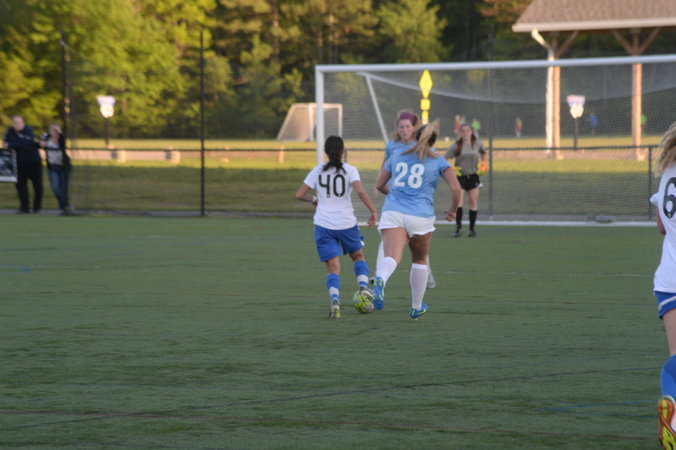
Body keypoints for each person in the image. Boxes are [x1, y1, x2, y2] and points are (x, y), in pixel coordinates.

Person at [372, 123, 462, 319]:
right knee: (419, 260)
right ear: (433, 141)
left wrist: (396, 196)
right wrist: (453, 211)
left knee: (392, 257)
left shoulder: (397, 154)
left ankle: (380, 279)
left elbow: (379, 184)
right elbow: (456, 189)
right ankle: (416, 307)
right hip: (420, 216)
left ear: (415, 136)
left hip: (393, 212)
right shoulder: (438, 160)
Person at [295, 135, 378, 319]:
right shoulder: (350, 170)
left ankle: (335, 301)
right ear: (342, 151)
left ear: (326, 151)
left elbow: (299, 194)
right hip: (346, 223)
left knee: (333, 269)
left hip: (323, 224)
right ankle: (363, 288)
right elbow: (360, 191)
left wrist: (314, 199)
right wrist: (373, 211)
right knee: (358, 256)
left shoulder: (317, 171)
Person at [651, 123, 676, 448]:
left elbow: (661, 225)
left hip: (669, 278)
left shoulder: (668, 171)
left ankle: (673, 406)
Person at [444, 122, 487, 238]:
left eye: (468, 130)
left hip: (473, 176)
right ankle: (458, 228)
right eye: (463, 131)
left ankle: (472, 229)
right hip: (460, 177)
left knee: (473, 202)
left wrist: (483, 164)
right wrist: (451, 168)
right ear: (460, 133)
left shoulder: (477, 143)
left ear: (471, 132)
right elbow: (445, 158)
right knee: (459, 201)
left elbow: (484, 153)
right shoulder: (456, 145)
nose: (466, 133)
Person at [3, 115, 43, 214]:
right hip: (19, 164)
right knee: (21, 187)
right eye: (15, 122)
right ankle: (24, 208)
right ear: (12, 123)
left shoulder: (28, 130)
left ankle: (37, 207)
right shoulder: (10, 132)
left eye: (20, 122)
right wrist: (15, 144)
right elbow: (5, 144)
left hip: (33, 163)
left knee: (37, 186)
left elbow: (28, 143)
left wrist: (12, 145)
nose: (18, 124)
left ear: (23, 123)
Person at [40, 122, 73, 215]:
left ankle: (63, 207)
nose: (54, 132)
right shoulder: (46, 138)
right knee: (55, 187)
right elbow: (40, 144)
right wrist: (42, 143)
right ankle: (65, 205)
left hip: (63, 167)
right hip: (53, 167)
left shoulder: (61, 138)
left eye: (56, 130)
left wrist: (59, 133)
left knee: (63, 188)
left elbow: (63, 142)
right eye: (52, 129)